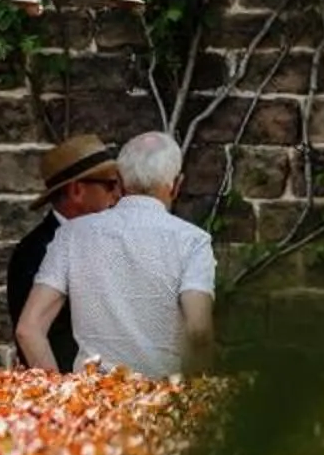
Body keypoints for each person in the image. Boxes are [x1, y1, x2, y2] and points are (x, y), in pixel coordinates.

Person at [17, 130, 216, 378]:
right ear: (176, 185)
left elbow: (28, 328)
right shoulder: (193, 241)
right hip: (163, 400)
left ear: (120, 180)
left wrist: (57, 393)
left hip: (93, 399)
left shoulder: (72, 234)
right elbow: (199, 330)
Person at [6, 133, 121, 375]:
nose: (117, 195)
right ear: (77, 190)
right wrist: (62, 398)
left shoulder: (105, 239)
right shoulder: (34, 251)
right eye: (110, 185)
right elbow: (30, 335)